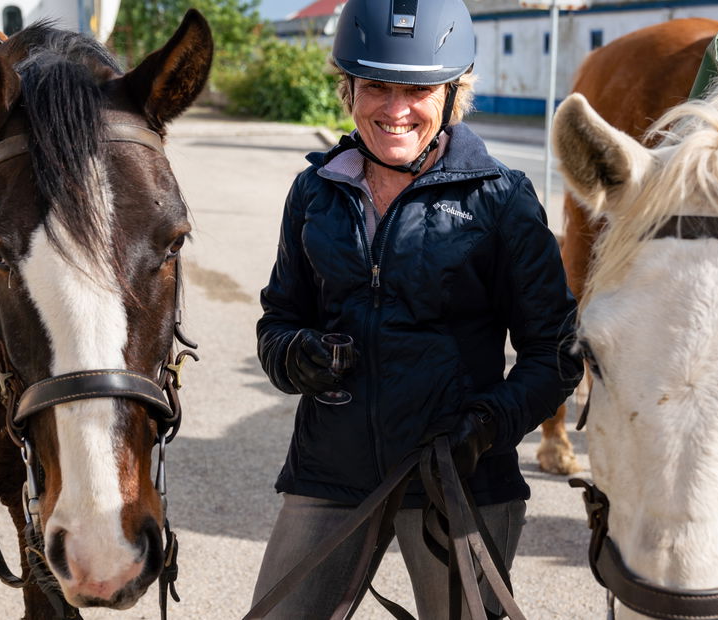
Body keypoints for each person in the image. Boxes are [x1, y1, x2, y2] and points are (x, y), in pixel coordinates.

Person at [250, 0, 582, 615]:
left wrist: (488, 424)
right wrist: (292, 354)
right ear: (348, 88)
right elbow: (279, 319)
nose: (395, 109)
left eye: (418, 90)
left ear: (453, 94)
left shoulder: (501, 200)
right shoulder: (315, 191)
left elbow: (556, 355)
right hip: (332, 470)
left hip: (458, 477)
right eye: (377, 85)